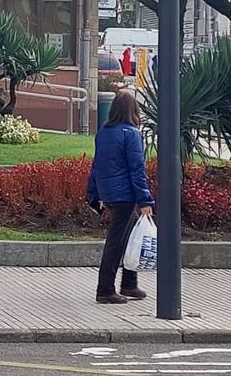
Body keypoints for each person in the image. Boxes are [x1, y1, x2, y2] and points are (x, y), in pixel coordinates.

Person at [86, 90, 154, 304]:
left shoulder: (104, 133)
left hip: (109, 193)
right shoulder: (131, 134)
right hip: (125, 195)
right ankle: (105, 289)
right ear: (133, 111)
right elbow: (137, 169)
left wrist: (93, 195)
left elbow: (96, 166)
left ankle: (129, 283)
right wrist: (145, 200)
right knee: (116, 242)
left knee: (129, 237)